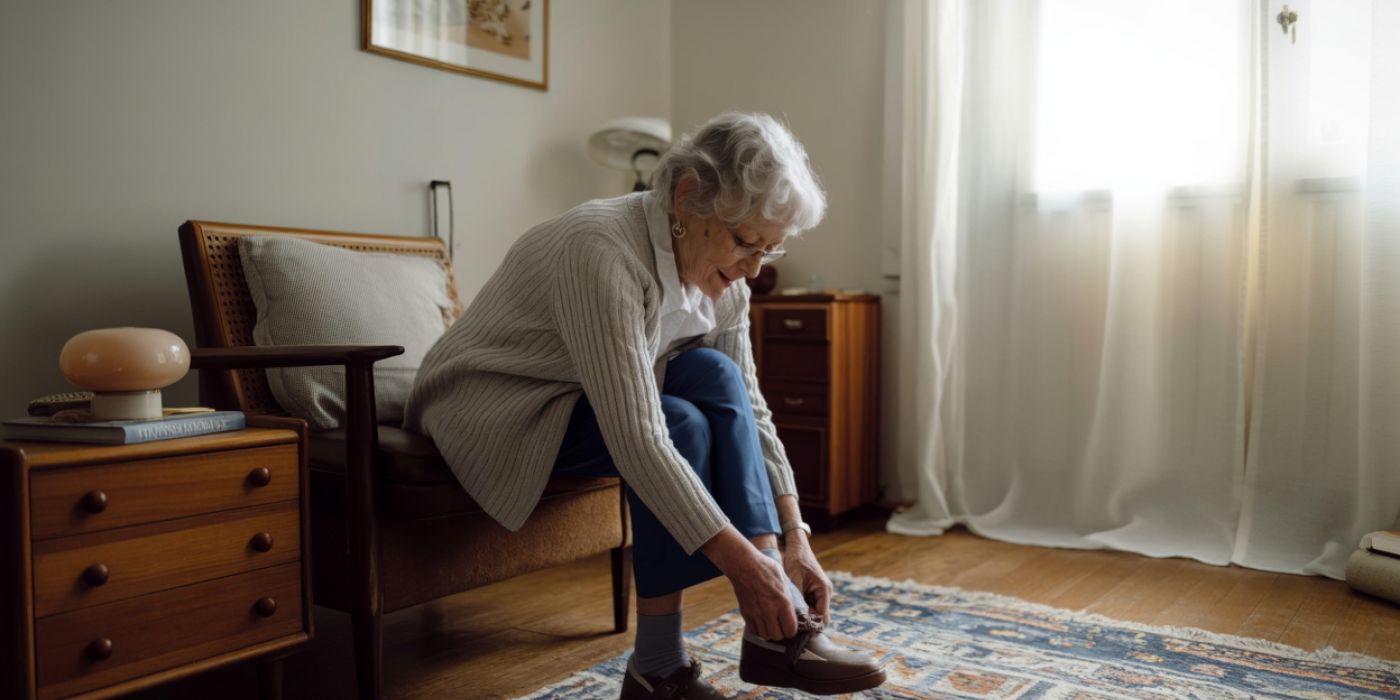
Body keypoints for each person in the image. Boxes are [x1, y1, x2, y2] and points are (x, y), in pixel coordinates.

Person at [404, 112, 885, 698]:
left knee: (712, 370)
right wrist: (743, 569)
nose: (753, 270)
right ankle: (659, 665)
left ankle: (771, 634)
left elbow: (750, 407)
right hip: (492, 408)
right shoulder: (600, 250)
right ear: (687, 198)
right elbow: (639, 436)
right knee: (677, 421)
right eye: (744, 243)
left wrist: (793, 539)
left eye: (769, 249)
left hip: (572, 396)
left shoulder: (727, 279)